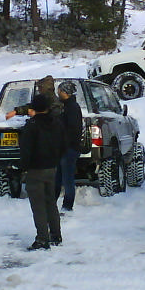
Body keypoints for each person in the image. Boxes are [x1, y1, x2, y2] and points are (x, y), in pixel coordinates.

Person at [19, 93, 66, 250]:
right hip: (52, 168)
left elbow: (26, 150)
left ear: (34, 108)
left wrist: (22, 167)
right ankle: (56, 235)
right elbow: (63, 145)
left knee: (38, 205)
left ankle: (42, 239)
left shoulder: (31, 126)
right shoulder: (57, 123)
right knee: (50, 202)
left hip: (35, 169)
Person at [55, 80, 82, 212]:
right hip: (64, 149)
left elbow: (72, 129)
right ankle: (53, 205)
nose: (58, 93)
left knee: (67, 179)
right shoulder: (65, 106)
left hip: (69, 149)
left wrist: (65, 144)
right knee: (58, 178)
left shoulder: (72, 107)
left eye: (60, 91)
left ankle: (67, 206)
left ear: (66, 93)